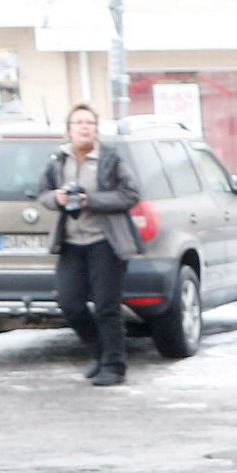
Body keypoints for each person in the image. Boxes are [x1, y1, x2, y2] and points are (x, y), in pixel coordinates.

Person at [41, 104, 142, 386]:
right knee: (69, 303)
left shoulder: (110, 159)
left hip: (105, 242)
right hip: (72, 242)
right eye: (78, 123)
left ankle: (114, 365)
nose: (85, 127)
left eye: (89, 123)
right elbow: (42, 194)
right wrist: (57, 199)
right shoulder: (58, 160)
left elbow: (130, 195)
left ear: (96, 129)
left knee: (106, 306)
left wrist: (90, 200)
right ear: (69, 129)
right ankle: (98, 351)